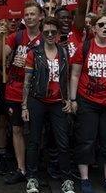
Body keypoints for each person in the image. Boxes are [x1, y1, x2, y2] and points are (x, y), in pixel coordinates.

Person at [69, 13, 106, 193]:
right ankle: (85, 179)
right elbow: (75, 74)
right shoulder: (84, 47)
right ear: (94, 28)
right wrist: (72, 99)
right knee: (86, 139)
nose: (104, 27)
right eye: (101, 25)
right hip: (87, 101)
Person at [22, 17, 73, 193]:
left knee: (63, 141)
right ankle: (32, 178)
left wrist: (68, 99)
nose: (50, 35)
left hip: (58, 102)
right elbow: (27, 81)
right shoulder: (33, 53)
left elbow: (65, 78)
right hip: (37, 100)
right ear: (42, 33)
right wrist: (24, 106)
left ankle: (67, 179)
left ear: (58, 33)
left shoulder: (64, 52)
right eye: (46, 32)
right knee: (34, 141)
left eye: (54, 32)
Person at [0, 1, 43, 185]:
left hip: (35, 93)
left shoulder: (46, 38)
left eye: (33, 14)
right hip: (14, 90)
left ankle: (33, 168)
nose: (30, 17)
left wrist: (33, 63)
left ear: (40, 17)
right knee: (16, 129)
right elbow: (1, 56)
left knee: (34, 131)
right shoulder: (16, 36)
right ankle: (21, 168)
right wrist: (1, 37)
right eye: (27, 14)